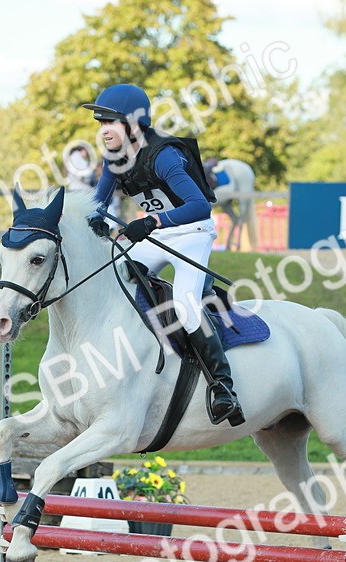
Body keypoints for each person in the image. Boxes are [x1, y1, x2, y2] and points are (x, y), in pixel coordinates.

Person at [82, 83, 243, 426]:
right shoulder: (115, 159)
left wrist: (153, 220)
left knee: (185, 302)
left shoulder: (165, 155)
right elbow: (98, 203)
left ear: (134, 124)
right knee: (117, 273)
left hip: (192, 232)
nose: (104, 130)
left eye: (110, 122)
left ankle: (222, 388)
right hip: (157, 232)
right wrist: (94, 220)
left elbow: (199, 207)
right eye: (101, 123)